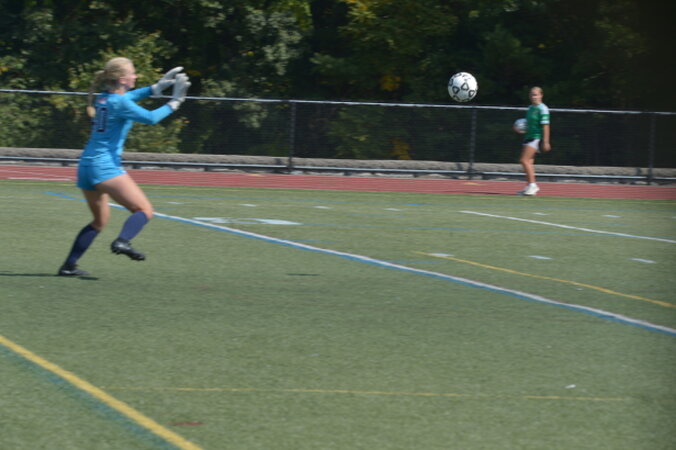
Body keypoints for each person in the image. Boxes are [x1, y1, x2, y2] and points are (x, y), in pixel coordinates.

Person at [57, 57, 190, 276]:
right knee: (144, 210)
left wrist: (155, 88)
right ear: (121, 79)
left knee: (99, 221)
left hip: (86, 166)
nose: (135, 76)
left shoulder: (104, 98)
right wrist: (175, 102)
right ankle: (123, 241)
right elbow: (150, 118)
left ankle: (69, 266)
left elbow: (129, 96)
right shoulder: (119, 103)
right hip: (104, 167)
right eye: (132, 73)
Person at [515, 86, 551, 196]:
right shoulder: (530, 107)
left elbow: (546, 126)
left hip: (535, 137)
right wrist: (520, 128)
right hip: (528, 136)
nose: (533, 97)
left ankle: (533, 185)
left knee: (524, 160)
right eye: (531, 94)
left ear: (541, 95)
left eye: (535, 94)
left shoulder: (543, 108)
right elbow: (528, 123)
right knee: (529, 162)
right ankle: (528, 186)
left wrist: (546, 141)